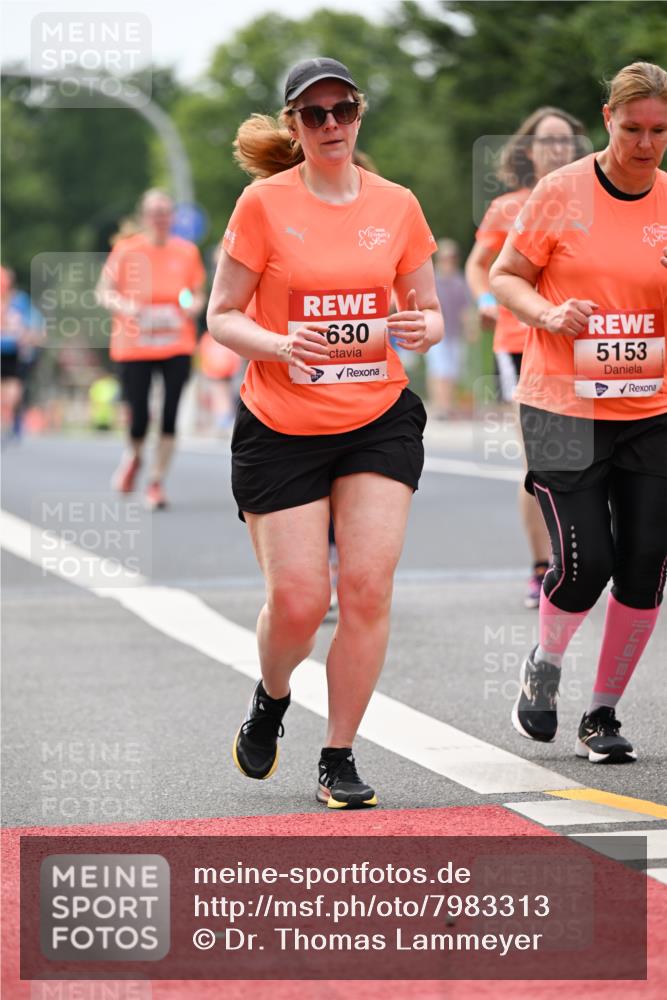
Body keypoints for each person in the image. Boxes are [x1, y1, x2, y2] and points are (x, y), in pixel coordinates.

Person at [207, 57, 442, 808]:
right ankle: (272, 697)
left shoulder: (397, 204)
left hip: (376, 416)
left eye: (343, 109)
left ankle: (338, 755)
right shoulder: (262, 205)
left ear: (359, 113)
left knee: (367, 590)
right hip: (280, 423)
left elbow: (430, 311)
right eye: (315, 115)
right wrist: (276, 345)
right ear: (294, 126)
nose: (332, 124)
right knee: (302, 604)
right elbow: (220, 314)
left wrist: (422, 328)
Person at [490, 61, 667, 763]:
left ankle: (601, 713)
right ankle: (544, 661)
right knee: (583, 561)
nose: (645, 144)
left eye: (658, 131)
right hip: (561, 407)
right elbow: (505, 275)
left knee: (645, 562)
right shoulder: (560, 194)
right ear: (606, 120)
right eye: (631, 128)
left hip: (651, 407)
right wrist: (548, 313)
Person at [466, 108, 587, 608]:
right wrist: (487, 301)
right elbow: (482, 267)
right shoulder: (507, 208)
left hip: (584, 342)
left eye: (566, 141)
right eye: (547, 142)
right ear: (529, 152)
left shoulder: (593, 204)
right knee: (540, 459)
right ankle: (542, 568)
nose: (557, 150)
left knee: (593, 454)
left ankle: (590, 559)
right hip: (521, 342)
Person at [96, 190, 207, 510]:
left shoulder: (186, 252)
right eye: (154, 213)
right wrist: (125, 306)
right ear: (144, 217)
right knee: (140, 416)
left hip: (176, 341)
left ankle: (156, 482)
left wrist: (189, 307)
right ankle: (133, 455)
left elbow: (196, 294)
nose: (160, 219)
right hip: (135, 343)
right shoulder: (126, 250)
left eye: (166, 212)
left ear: (173, 217)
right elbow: (104, 292)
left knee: (170, 413)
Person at [427, 239, 472, 419]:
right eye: (446, 258)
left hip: (454, 332)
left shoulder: (460, 282)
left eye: (452, 258)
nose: (449, 261)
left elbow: (465, 309)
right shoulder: (432, 281)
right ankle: (441, 407)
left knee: (452, 370)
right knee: (439, 369)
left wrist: (470, 328)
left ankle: (449, 405)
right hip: (436, 332)